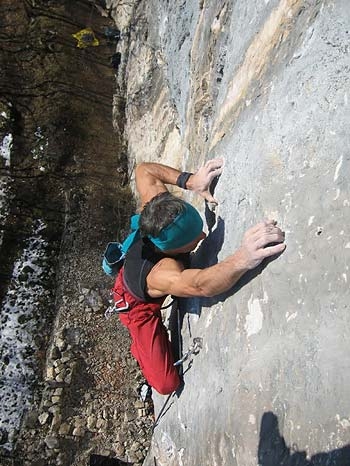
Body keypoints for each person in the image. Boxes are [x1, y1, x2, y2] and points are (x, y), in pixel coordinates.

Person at [112, 158, 285, 395]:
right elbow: (201, 285)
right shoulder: (162, 273)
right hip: (135, 305)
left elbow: (144, 170)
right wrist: (244, 257)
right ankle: (139, 349)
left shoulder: (157, 205)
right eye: (194, 240)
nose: (204, 235)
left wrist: (191, 181)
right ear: (171, 250)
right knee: (166, 385)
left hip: (142, 256)